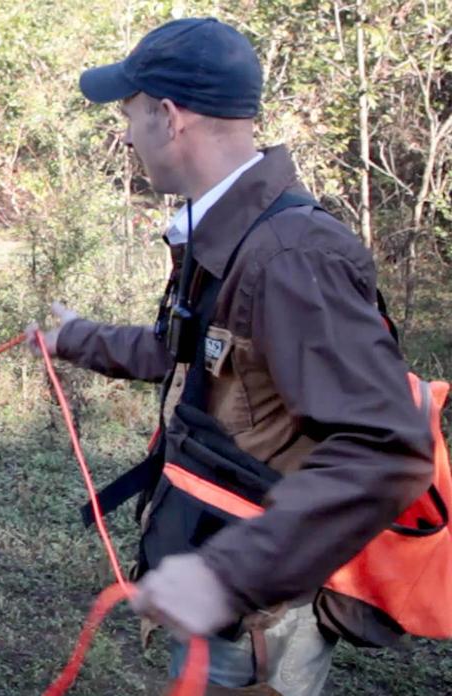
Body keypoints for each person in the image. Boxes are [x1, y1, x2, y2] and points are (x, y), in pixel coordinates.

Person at [25, 17, 434, 696]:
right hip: (220, 579)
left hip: (259, 617)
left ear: (169, 115)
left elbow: (384, 450)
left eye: (128, 114)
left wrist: (225, 575)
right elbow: (184, 351)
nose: (124, 135)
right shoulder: (228, 229)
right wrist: (78, 338)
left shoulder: (290, 255)